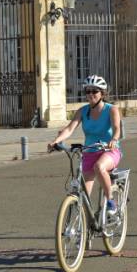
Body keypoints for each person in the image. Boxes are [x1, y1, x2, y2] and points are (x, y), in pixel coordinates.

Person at [48, 74, 124, 226]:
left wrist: (114, 140)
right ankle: (81, 230)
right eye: (87, 91)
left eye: (94, 91)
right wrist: (56, 141)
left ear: (102, 93)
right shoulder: (83, 111)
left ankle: (110, 201)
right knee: (84, 196)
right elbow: (70, 128)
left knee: (99, 167)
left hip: (109, 151)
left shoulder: (111, 110)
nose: (90, 94)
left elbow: (117, 129)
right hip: (89, 152)